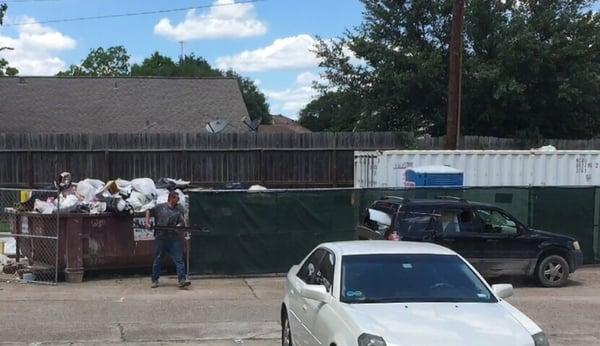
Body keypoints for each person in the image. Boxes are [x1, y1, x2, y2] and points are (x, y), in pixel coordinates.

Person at [145, 191, 190, 289]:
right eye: (176, 199)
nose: (178, 201)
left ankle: (182, 280)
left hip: (174, 237)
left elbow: (182, 222)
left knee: (179, 259)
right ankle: (154, 280)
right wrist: (147, 223)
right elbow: (148, 210)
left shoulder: (179, 208)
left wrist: (179, 225)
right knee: (158, 259)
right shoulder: (160, 207)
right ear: (171, 198)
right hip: (161, 237)